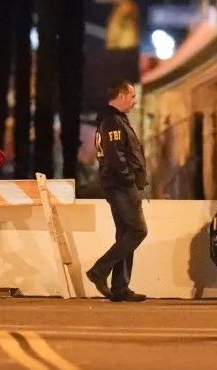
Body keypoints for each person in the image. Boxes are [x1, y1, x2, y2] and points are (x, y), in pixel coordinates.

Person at [86, 79, 148, 302]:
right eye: (132, 97)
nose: (134, 101)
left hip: (117, 185)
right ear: (121, 96)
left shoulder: (112, 119)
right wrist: (129, 178)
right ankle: (99, 271)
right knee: (137, 231)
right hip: (120, 186)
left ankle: (120, 287)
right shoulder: (113, 121)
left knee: (125, 234)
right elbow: (115, 156)